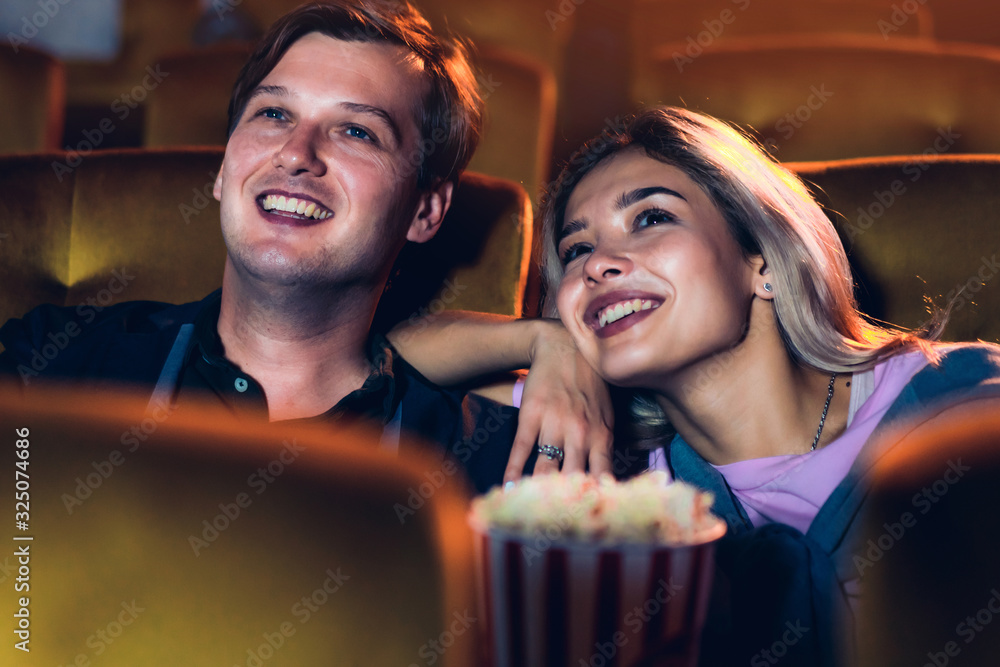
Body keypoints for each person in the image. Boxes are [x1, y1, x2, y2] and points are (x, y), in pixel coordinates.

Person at [390, 106, 1000, 664]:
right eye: (576, 250)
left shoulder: (966, 401)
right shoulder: (600, 445)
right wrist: (540, 340)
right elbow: (374, 362)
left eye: (651, 217)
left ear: (761, 260)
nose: (598, 264)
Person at [0, 0, 610, 493]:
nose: (296, 152)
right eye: (273, 114)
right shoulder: (49, 364)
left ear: (425, 210)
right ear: (222, 170)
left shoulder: (490, 464)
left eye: (355, 130)